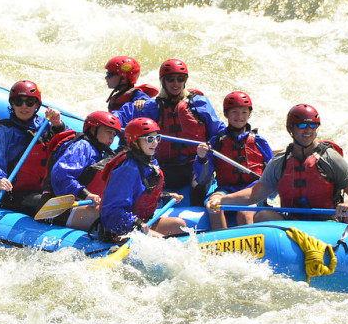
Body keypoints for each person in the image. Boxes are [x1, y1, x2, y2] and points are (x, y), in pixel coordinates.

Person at [208, 104, 348, 228]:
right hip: (292, 222)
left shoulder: (329, 157)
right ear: (291, 129)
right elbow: (253, 195)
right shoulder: (280, 162)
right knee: (262, 215)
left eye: (313, 126)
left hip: (327, 223)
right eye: (302, 126)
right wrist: (222, 200)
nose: (308, 131)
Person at [113, 58, 226, 205]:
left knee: (197, 189)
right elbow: (122, 115)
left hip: (195, 164)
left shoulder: (198, 103)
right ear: (163, 81)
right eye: (171, 79)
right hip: (165, 166)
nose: (176, 84)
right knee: (144, 190)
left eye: (180, 79)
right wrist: (107, 123)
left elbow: (218, 130)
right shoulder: (153, 106)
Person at [0, 80, 65, 217]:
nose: (24, 106)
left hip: (37, 190)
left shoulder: (44, 126)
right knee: (45, 203)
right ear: (12, 104)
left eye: (29, 102)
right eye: (18, 101)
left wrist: (58, 125)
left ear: (37, 105)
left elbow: (67, 147)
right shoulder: (4, 131)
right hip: (9, 193)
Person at [196, 91, 274, 229]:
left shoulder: (259, 141)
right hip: (227, 189)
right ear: (226, 114)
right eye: (235, 112)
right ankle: (220, 245)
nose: (239, 116)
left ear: (249, 114)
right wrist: (201, 158)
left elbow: (274, 169)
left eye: (244, 112)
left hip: (253, 190)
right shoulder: (217, 142)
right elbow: (203, 177)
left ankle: (249, 248)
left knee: (244, 213)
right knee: (213, 206)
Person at [99, 118, 187, 240]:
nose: (155, 143)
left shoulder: (148, 163)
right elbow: (113, 211)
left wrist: (164, 195)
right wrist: (136, 224)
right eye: (149, 139)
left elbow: (141, 195)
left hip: (140, 222)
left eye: (157, 138)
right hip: (120, 229)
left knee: (179, 225)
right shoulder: (128, 168)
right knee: (167, 245)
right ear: (134, 142)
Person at [41, 111, 121, 230]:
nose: (111, 137)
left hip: (79, 205)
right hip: (56, 205)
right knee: (108, 218)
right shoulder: (82, 146)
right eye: (108, 132)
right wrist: (86, 195)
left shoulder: (100, 152)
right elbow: (61, 176)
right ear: (93, 130)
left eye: (114, 135)